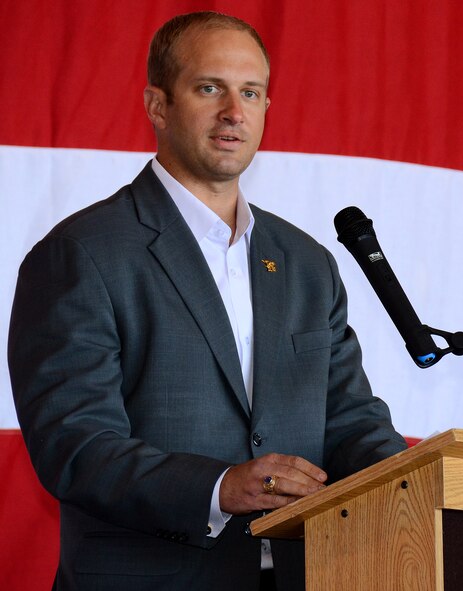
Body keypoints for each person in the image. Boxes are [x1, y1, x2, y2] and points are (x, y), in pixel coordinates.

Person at [8, 11, 407, 591]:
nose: (234, 112)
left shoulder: (307, 262)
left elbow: (347, 419)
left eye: (251, 92)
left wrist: (412, 480)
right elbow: (75, 444)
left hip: (306, 574)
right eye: (209, 88)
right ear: (157, 105)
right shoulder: (80, 254)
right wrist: (219, 487)